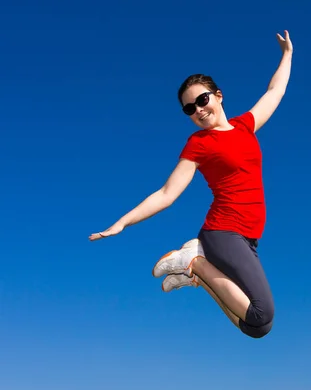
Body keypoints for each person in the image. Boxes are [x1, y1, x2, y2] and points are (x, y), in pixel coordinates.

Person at [89, 30, 293, 339]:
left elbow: (274, 92)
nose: (198, 109)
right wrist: (122, 223)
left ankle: (192, 270)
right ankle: (194, 262)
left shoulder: (244, 126)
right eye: (189, 108)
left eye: (202, 100)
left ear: (218, 95)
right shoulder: (199, 144)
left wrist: (287, 55)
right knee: (262, 312)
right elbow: (167, 193)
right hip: (224, 232)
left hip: (249, 238)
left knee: (257, 327)